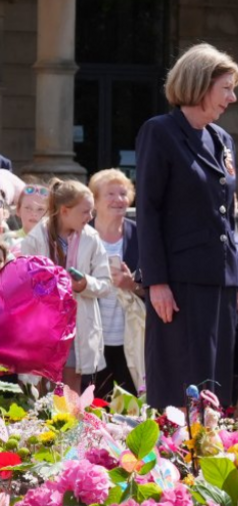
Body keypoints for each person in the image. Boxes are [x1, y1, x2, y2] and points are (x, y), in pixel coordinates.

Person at [135, 43, 238, 410]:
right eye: (226, 87)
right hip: (179, 282)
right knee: (181, 379)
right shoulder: (160, 132)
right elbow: (148, 211)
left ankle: (210, 456)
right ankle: (174, 461)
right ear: (200, 84)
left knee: (216, 383)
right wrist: (157, 281)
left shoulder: (221, 139)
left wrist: (236, 278)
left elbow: (229, 215)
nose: (233, 97)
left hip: (221, 282)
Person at [20, 179, 112, 391]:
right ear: (65, 211)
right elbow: (24, 284)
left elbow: (106, 284)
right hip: (43, 325)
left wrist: (83, 285)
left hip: (77, 325)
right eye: (85, 211)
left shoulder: (91, 238)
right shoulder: (35, 238)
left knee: (71, 388)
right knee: (42, 385)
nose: (90, 217)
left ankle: (72, 425)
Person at [87, 169, 145, 398]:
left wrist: (132, 285)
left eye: (123, 193)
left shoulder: (140, 235)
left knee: (130, 403)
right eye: (110, 193)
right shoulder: (81, 234)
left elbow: (156, 285)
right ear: (95, 200)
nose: (118, 199)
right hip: (91, 338)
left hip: (130, 338)